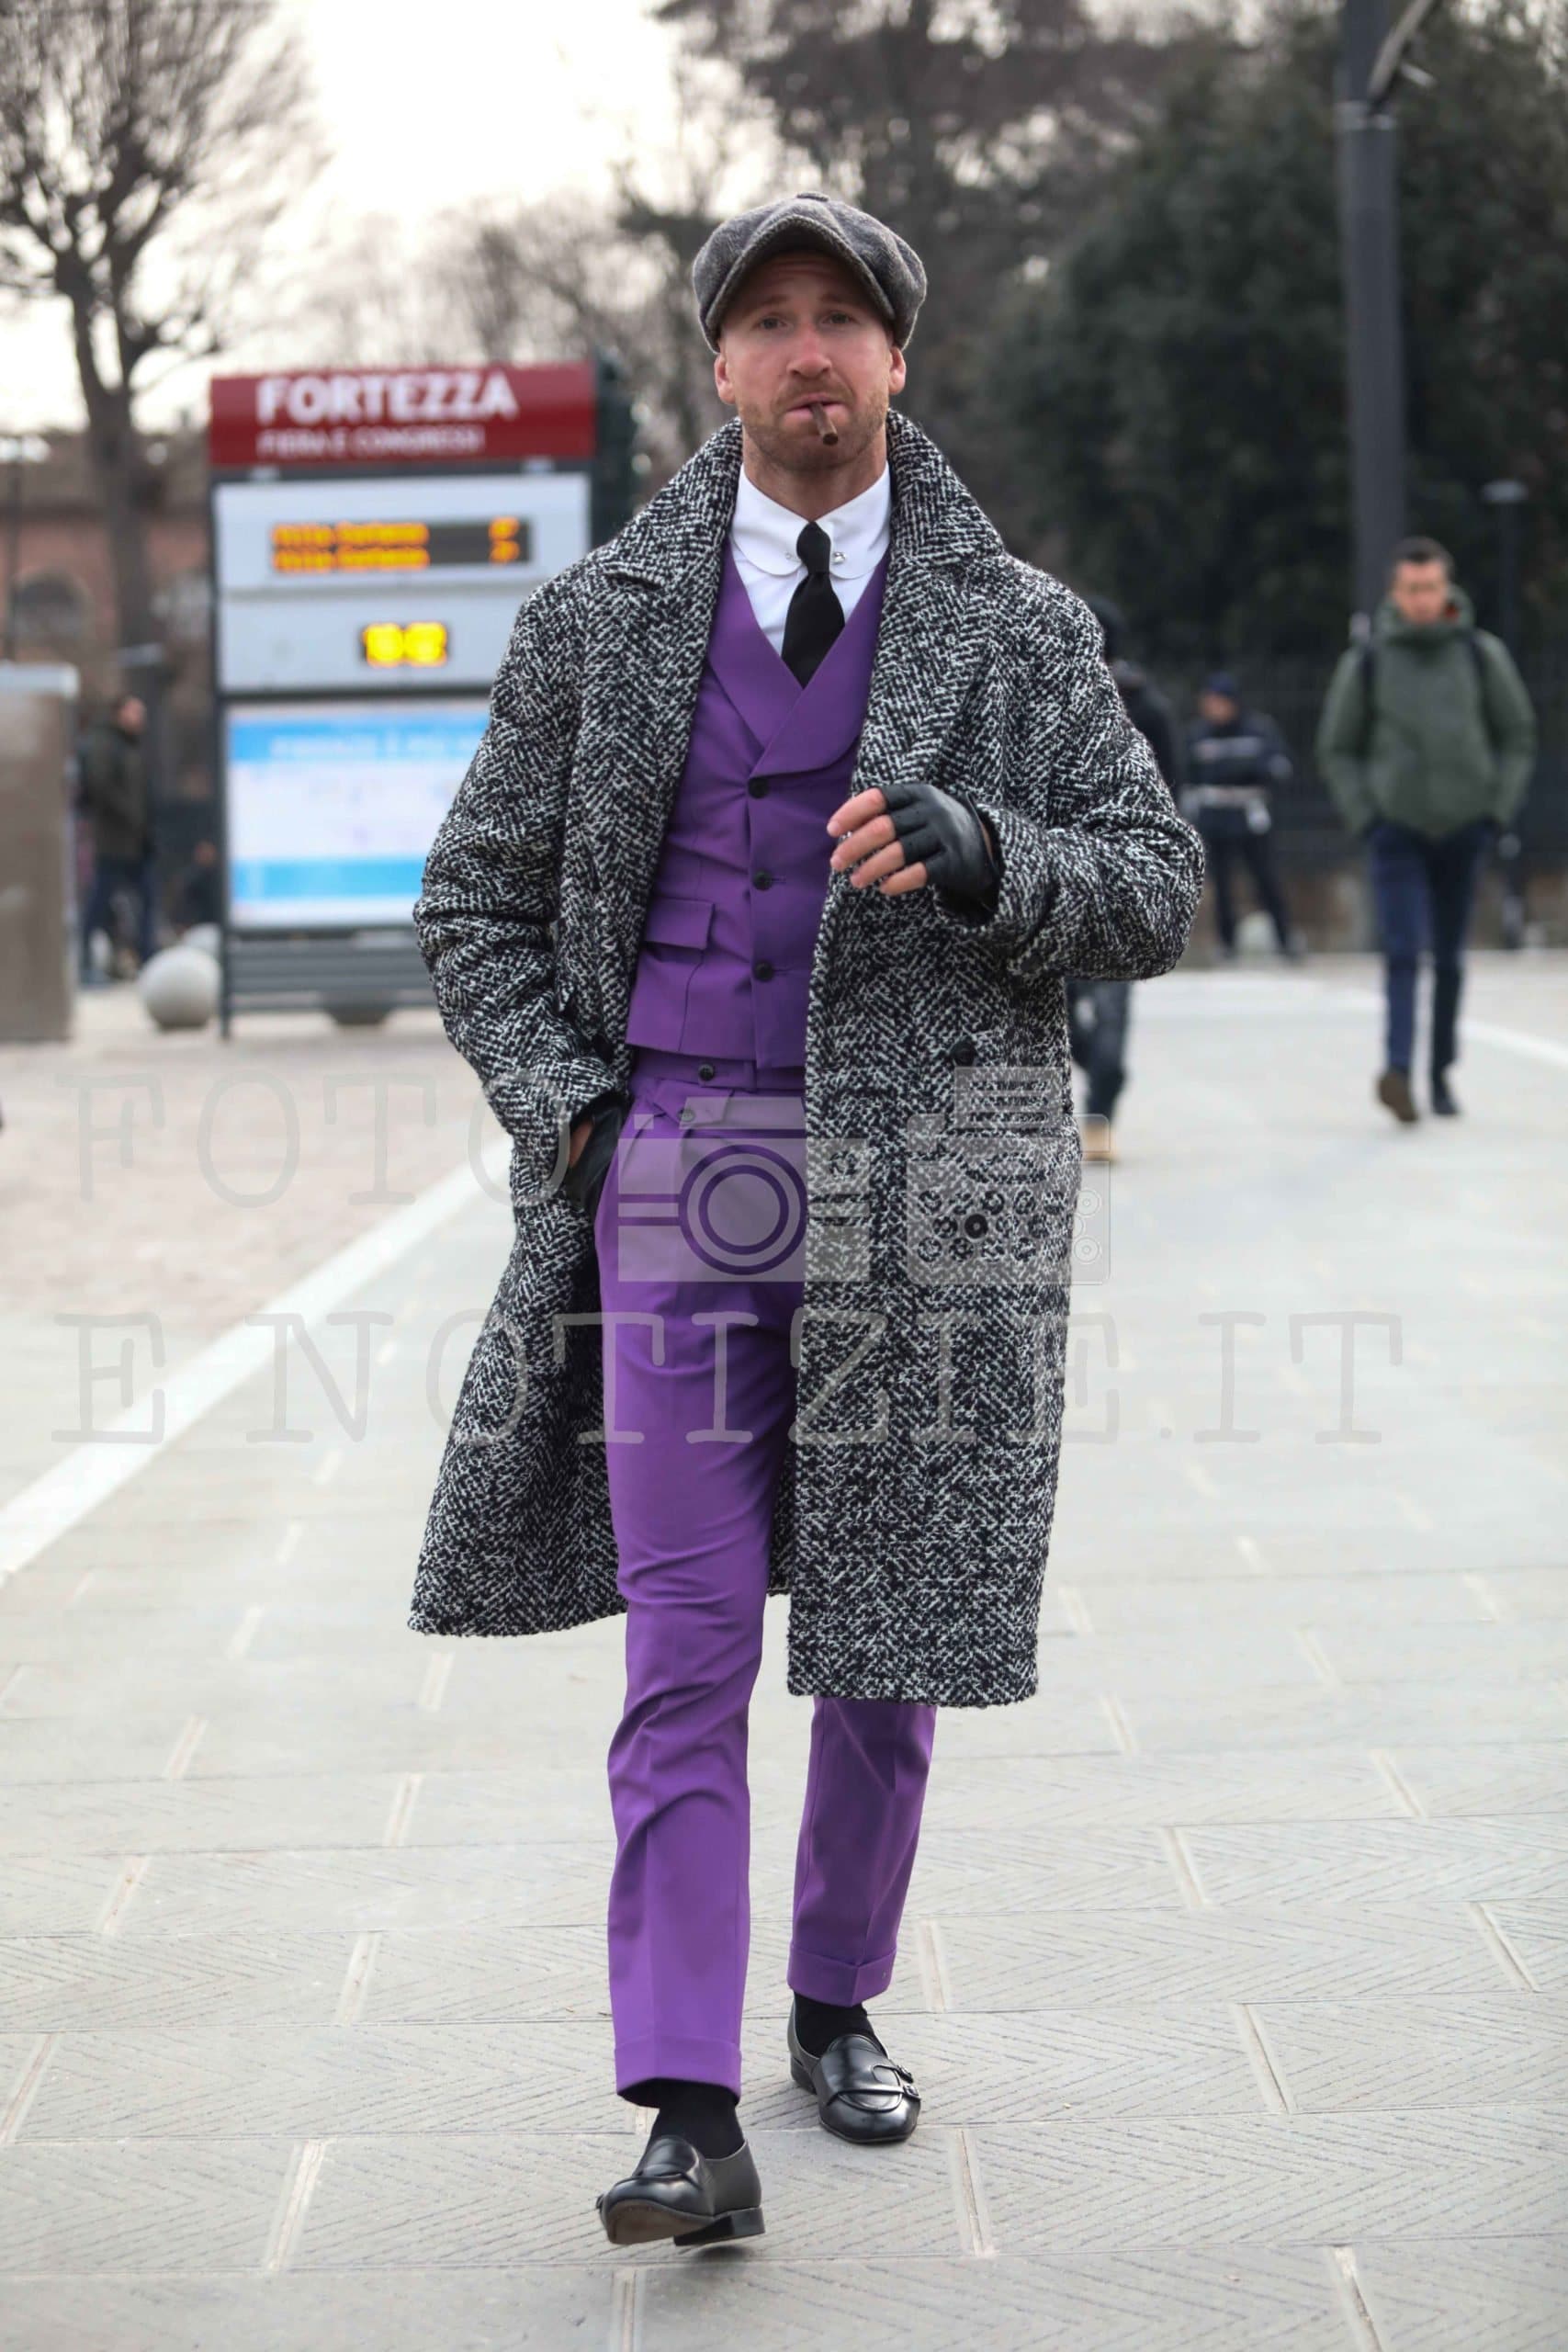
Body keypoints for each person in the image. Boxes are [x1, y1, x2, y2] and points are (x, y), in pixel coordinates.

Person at [407, 190, 1203, 2254]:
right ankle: (682, 2104)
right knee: (682, 1642)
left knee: (884, 1637)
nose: (806, 351)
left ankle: (835, 1999)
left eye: (839, 315)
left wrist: (988, 848)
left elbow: (1155, 883)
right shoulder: (596, 621)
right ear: (720, 368)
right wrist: (577, 1119)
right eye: (765, 319)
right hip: (671, 1171)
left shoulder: (1015, 627)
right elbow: (471, 901)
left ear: (896, 357)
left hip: (929, 1185)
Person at [1316, 537, 1535, 1121]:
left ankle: (1439, 1073)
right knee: (1402, 952)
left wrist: (1495, 810)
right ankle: (1398, 1070)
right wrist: (1368, 817)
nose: (1422, 599)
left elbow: (1516, 735)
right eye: (1412, 589)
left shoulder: (1480, 655)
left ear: (1447, 588)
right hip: (1396, 832)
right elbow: (1338, 747)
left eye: (1432, 587)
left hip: (1465, 827)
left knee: (1450, 959)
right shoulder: (1368, 661)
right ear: (1396, 591)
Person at [1065, 596, 1186, 1163]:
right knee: (1061, 1011)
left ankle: (1102, 1109)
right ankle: (1103, 1075)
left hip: (1119, 882)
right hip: (1060, 877)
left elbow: (1172, 798)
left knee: (1109, 1007)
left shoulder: (1145, 709)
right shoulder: (1045, 701)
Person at [1183, 671, 1301, 960]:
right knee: (1222, 883)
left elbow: (1278, 767)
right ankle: (1227, 943)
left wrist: (1247, 771)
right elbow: (1190, 772)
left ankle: (1285, 939)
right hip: (1215, 816)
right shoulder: (1199, 734)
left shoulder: (1259, 730)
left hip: (1249, 816)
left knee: (1265, 878)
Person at [75, 691, 159, 982]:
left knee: (146, 898)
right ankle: (85, 959)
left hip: (135, 841)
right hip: (114, 841)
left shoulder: (130, 745)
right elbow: (101, 787)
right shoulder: (104, 744)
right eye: (135, 712)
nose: (140, 719)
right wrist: (130, 816)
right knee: (101, 900)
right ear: (119, 713)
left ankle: (147, 957)